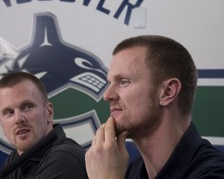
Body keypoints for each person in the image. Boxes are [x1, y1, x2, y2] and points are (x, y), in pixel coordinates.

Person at [85, 35, 224, 179]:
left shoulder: (214, 174)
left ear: (167, 92)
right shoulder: (133, 171)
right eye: (110, 83)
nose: (107, 95)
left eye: (124, 82)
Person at [0, 71, 88, 179]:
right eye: (9, 112)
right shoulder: (15, 161)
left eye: (27, 107)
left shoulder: (64, 158)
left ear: (49, 112)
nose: (18, 119)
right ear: (1, 124)